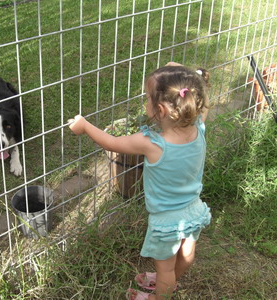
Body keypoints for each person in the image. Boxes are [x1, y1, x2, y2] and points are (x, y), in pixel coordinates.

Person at [68, 62, 212, 300]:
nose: (145, 101)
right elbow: (202, 96)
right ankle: (170, 282)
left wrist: (84, 126)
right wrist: (187, 75)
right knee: (186, 255)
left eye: (147, 98)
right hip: (193, 210)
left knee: (164, 268)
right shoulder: (198, 126)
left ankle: (159, 295)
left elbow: (111, 143)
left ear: (161, 110)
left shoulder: (152, 143)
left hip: (167, 220)